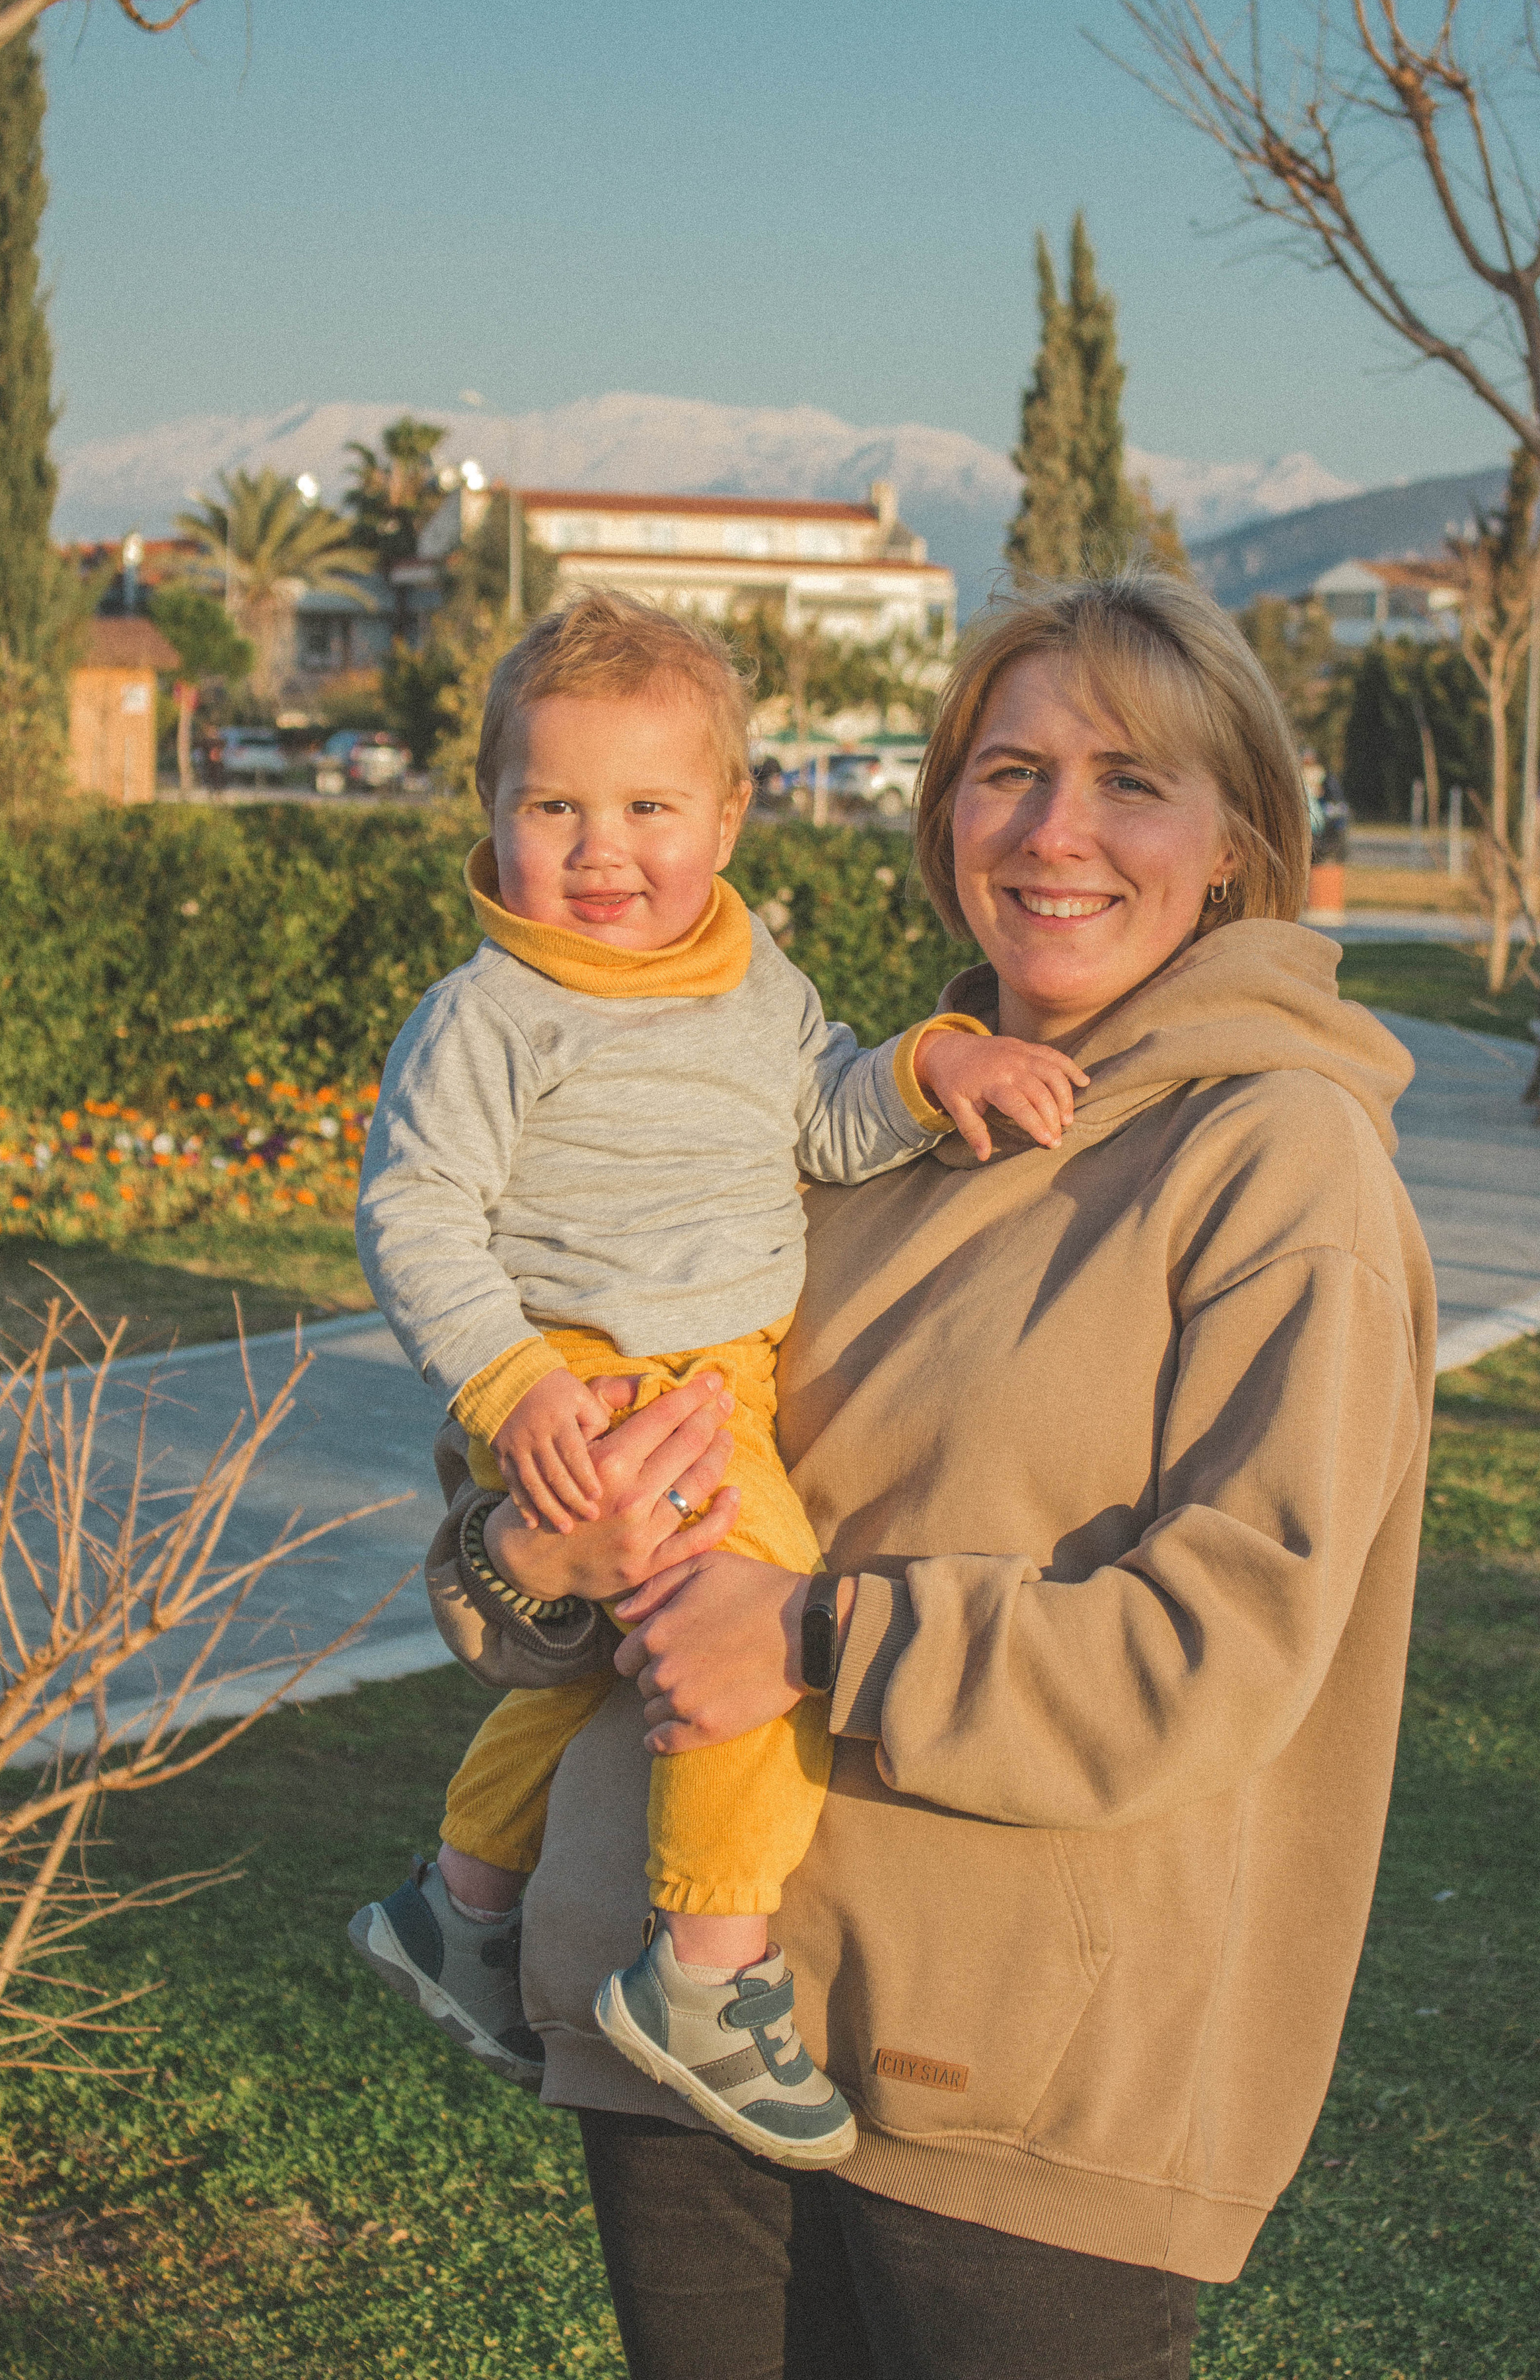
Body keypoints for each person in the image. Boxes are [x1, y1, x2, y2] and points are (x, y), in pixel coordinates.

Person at [425, 571, 1437, 2380]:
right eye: (1007, 771)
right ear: (942, 811)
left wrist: (815, 1642)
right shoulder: (843, 1122)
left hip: (1008, 2104)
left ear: (1237, 845)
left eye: (1132, 780)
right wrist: (534, 1551)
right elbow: (534, 1576)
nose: (1058, 832)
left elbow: (1222, 1645)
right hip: (689, 2046)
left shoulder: (1279, 1167)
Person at [348, 590, 1088, 2167]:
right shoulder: (490, 1017)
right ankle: (705, 1973)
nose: (599, 849)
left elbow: (819, 1121)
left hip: (719, 1378)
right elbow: (412, 1211)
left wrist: (926, 1067)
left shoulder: (754, 987)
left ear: (731, 813)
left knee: (620, 1659)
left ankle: (457, 1905)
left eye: (645, 807)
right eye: (552, 805)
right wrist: (511, 1386)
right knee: (751, 1640)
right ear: (489, 810)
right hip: (596, 1391)